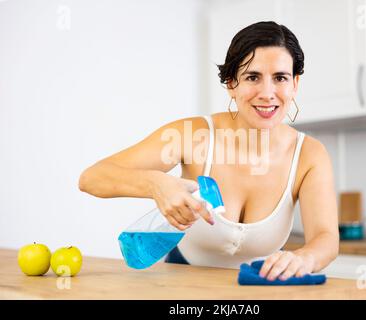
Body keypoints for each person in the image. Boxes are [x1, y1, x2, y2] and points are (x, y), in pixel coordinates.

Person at [79, 21, 339, 281]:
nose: (267, 93)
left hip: (261, 291)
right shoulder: (192, 136)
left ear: (294, 84)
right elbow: (92, 178)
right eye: (252, 77)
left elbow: (325, 238)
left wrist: (305, 257)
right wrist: (156, 183)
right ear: (231, 83)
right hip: (183, 289)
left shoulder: (309, 155)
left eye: (280, 78)